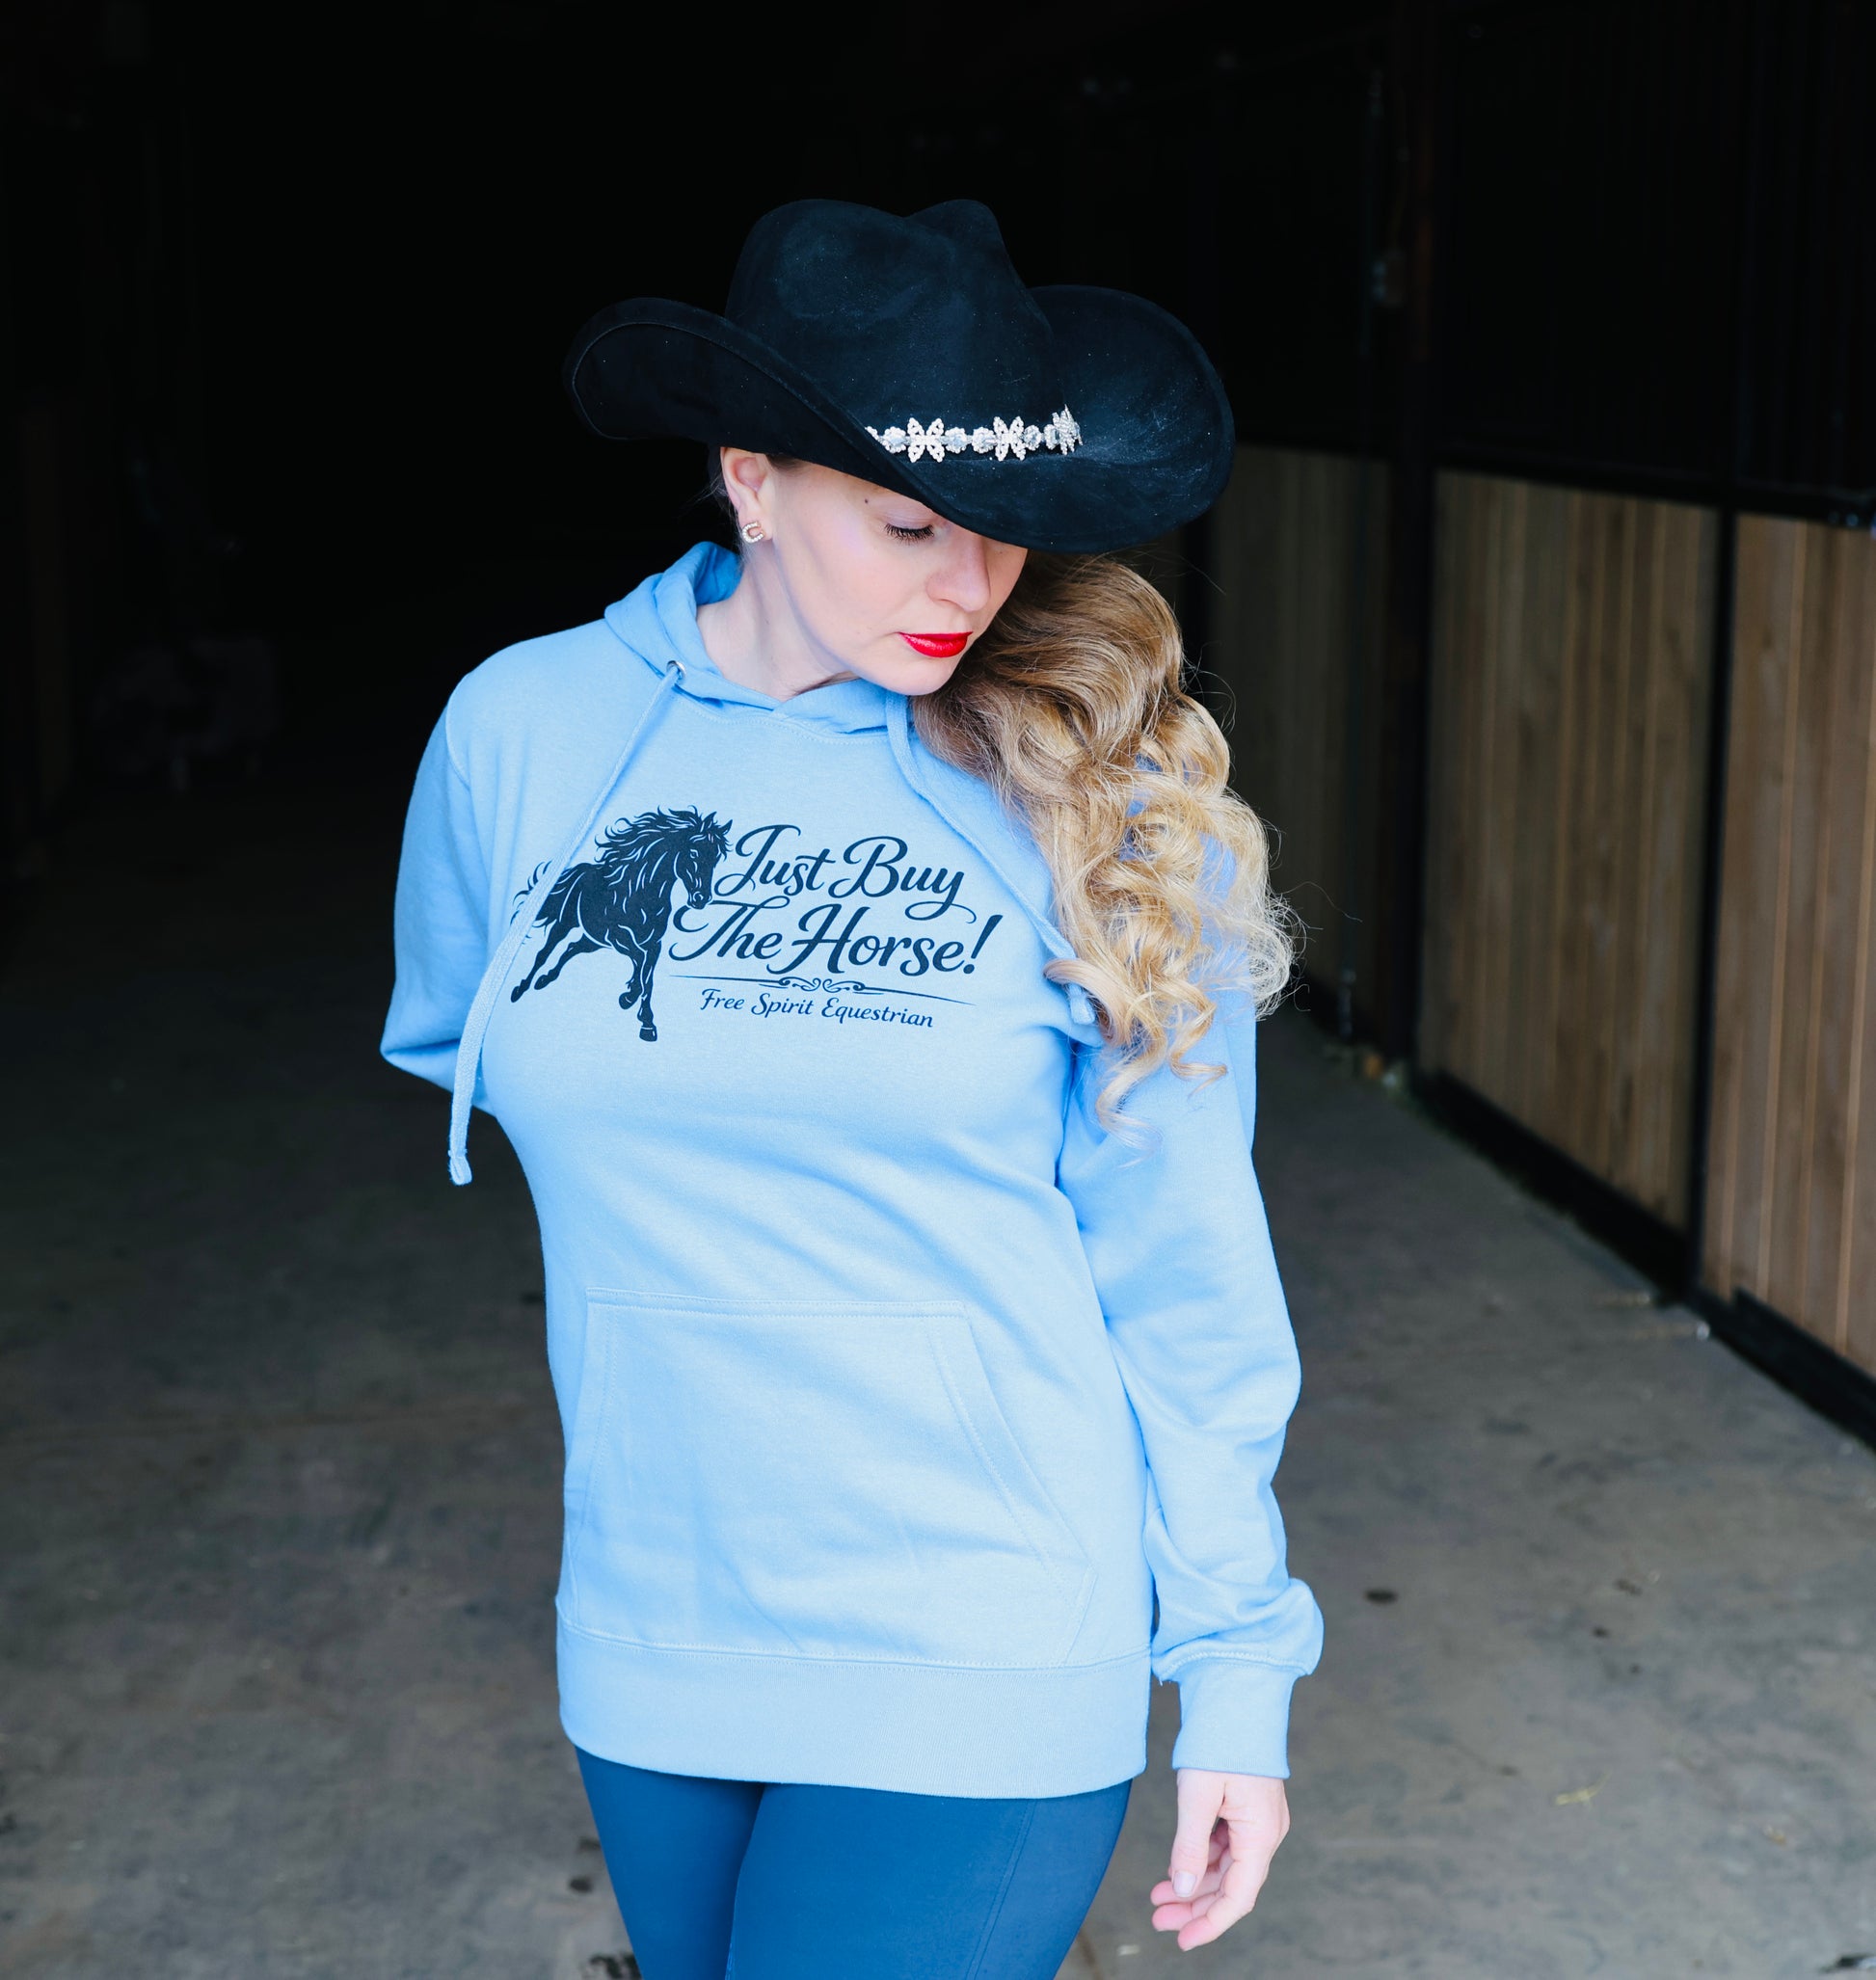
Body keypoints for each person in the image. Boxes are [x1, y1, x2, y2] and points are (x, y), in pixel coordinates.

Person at [382, 198, 1322, 1980]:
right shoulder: (520, 733)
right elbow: (476, 1037)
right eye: (906, 523)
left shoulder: (1100, 796)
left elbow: (1187, 1274)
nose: (967, 584)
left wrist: (1233, 1670)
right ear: (750, 480)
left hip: (981, 1620)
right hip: (654, 1617)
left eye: (1000, 528)